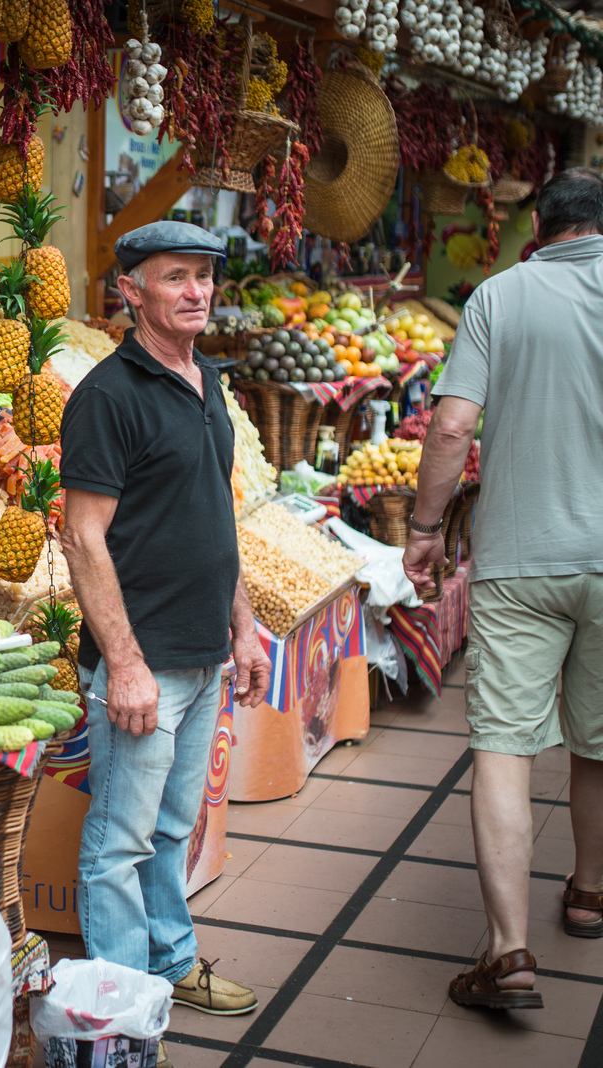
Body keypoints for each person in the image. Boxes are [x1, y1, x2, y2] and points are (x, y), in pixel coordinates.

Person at [59, 222, 273, 1037]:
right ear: (131, 291)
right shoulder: (108, 395)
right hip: (144, 662)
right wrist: (125, 665)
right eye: (176, 276)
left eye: (205, 277)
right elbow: (83, 536)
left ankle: (172, 964)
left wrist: (244, 629)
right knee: (119, 842)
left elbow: (216, 518)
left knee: (173, 828)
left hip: (203, 652)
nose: (196, 291)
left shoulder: (205, 379)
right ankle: (117, 1012)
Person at [402, 167, 603, 1011]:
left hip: (521, 560)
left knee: (504, 745)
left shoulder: (499, 296)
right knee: (597, 739)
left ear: (541, 229)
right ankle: (590, 893)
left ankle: (510, 952)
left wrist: (422, 528)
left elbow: (451, 423)